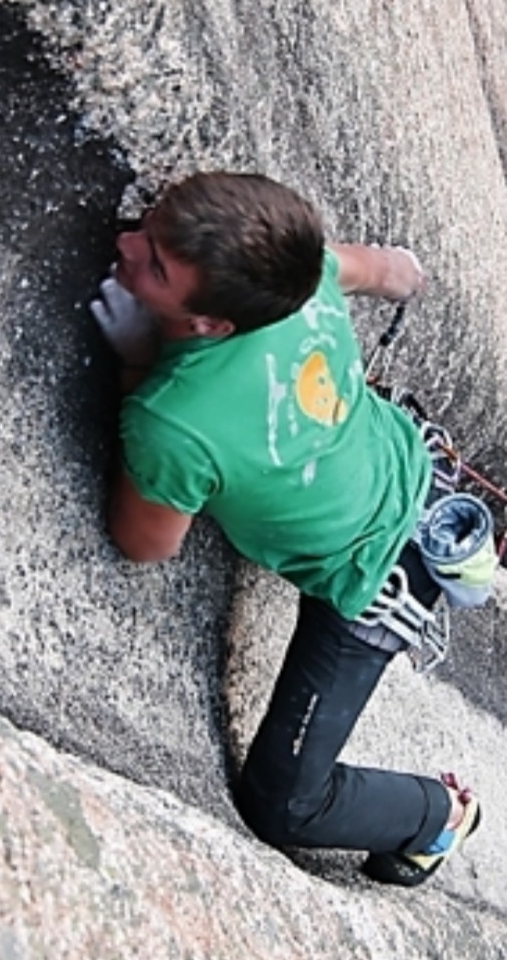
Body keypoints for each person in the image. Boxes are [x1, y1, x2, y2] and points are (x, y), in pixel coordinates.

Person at [90, 172, 483, 883]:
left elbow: (145, 543)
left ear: (210, 323)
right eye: (149, 225)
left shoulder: (171, 422)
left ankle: (440, 815)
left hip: (376, 577)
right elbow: (391, 270)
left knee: (285, 807)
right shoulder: (302, 276)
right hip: (414, 455)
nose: (123, 243)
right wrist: (406, 279)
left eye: (153, 261)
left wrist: (138, 369)